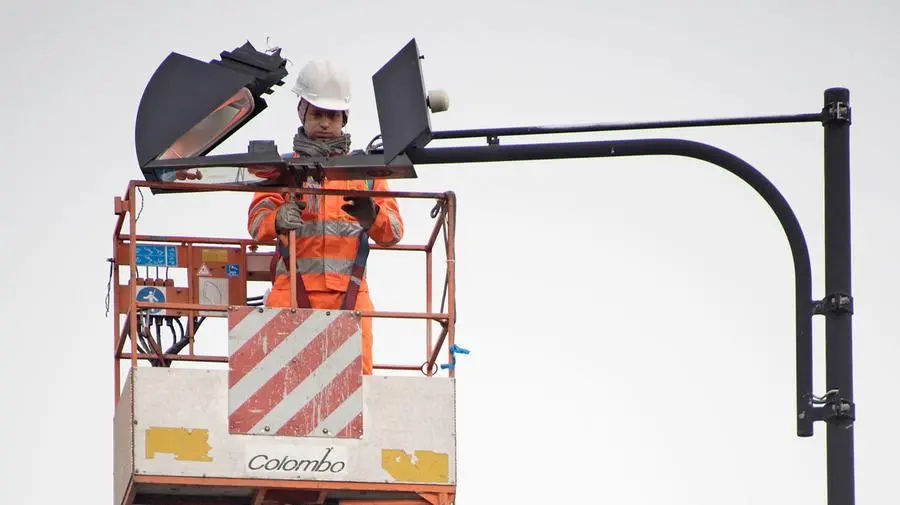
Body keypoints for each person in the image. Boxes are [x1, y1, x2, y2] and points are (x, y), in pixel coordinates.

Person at [247, 59, 403, 375]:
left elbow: (395, 232)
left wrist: (372, 216)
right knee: (280, 387)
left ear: (343, 118)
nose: (325, 123)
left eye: (332, 116)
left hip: (351, 295)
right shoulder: (282, 170)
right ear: (302, 112)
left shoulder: (365, 173)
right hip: (291, 292)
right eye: (317, 114)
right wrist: (277, 219)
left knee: (356, 389)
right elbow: (256, 222)